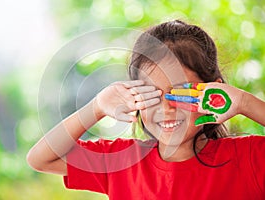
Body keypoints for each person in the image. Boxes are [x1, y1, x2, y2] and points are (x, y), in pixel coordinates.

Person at [27, 20, 265, 199]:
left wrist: (245, 103)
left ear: (213, 93)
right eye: (151, 95)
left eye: (181, 94)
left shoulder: (248, 160)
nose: (166, 109)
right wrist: (96, 107)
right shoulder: (121, 162)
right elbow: (41, 159)